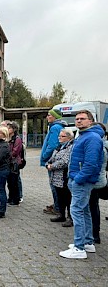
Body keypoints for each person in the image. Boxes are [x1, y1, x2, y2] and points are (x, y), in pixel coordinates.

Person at [59, 110, 104, 259]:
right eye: (77, 119)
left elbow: (91, 163)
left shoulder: (92, 137)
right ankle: (87, 242)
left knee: (76, 211)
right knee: (84, 211)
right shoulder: (84, 135)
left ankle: (79, 248)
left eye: (82, 119)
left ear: (90, 121)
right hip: (78, 180)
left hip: (82, 181)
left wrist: (78, 179)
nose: (78, 121)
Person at [40, 109, 67, 215]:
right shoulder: (57, 126)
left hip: (51, 161)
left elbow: (52, 145)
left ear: (55, 117)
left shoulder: (55, 127)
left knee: (54, 185)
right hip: (54, 160)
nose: (47, 117)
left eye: (49, 115)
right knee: (56, 185)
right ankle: (57, 205)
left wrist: (44, 156)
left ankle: (58, 207)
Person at [45, 128, 74, 225]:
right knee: (60, 197)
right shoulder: (59, 147)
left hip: (64, 177)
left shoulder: (70, 147)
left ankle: (70, 218)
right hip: (56, 177)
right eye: (59, 136)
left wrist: (52, 166)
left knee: (68, 198)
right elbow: (52, 158)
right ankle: (61, 215)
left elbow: (65, 161)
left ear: (69, 137)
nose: (59, 138)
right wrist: (48, 163)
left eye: (62, 136)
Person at [89, 122, 108, 244]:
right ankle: (94, 234)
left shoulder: (99, 146)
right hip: (101, 179)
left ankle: (94, 234)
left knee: (92, 207)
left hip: (95, 181)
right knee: (93, 207)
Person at [6, 121, 23, 206]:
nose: (7, 129)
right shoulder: (9, 139)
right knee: (9, 182)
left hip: (15, 163)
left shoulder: (17, 139)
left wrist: (7, 155)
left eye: (9, 128)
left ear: (14, 129)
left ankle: (16, 199)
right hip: (9, 162)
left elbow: (15, 152)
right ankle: (10, 197)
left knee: (14, 182)